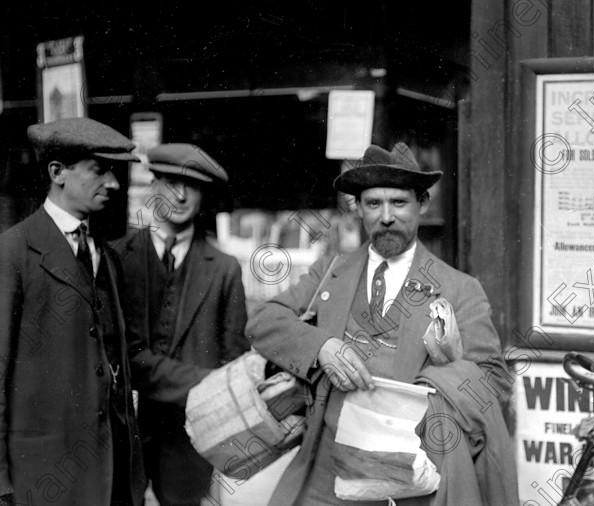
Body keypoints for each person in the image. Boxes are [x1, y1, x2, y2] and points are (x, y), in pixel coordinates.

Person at [247, 142, 517, 505]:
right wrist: (321, 347)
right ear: (357, 209)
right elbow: (264, 320)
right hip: (328, 478)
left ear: (422, 204)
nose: (386, 217)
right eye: (374, 204)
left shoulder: (460, 289)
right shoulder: (330, 271)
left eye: (399, 203)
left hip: (413, 483)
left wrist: (432, 386)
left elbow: (494, 379)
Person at [0, 117, 146, 506]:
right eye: (99, 171)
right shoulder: (14, 251)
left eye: (113, 172)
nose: (113, 184)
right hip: (44, 475)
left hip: (109, 474)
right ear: (57, 172)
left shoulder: (107, 257)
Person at [117, 143, 249, 506]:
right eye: (171, 181)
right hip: (124, 432)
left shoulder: (224, 269)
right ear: (152, 185)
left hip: (188, 439)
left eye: (191, 185)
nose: (179, 194)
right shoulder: (117, 258)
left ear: (203, 195)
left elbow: (233, 363)